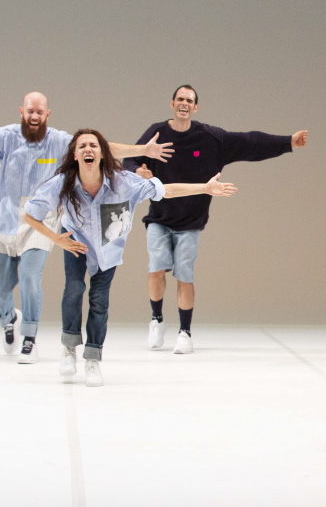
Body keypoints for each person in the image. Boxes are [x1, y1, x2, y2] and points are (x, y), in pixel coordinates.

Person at [0, 92, 172, 364]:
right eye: (30, 111)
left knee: (31, 278)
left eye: (40, 112)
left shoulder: (59, 141)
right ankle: (9, 319)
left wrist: (143, 150)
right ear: (22, 112)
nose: (34, 116)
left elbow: (100, 148)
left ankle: (30, 339)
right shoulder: (6, 137)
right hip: (4, 219)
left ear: (48, 115)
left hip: (41, 221)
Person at [24, 129, 237, 386]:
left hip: (108, 250)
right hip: (76, 244)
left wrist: (204, 188)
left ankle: (92, 358)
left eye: (94, 145)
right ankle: (69, 348)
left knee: (99, 301)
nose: (88, 149)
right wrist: (56, 239)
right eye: (82, 146)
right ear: (75, 154)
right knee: (74, 288)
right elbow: (30, 214)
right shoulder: (62, 183)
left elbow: (165, 190)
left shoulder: (123, 182)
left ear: (103, 153)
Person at [123, 85, 308, 354]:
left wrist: (288, 142)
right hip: (159, 218)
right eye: (180, 99)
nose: (184, 104)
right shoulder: (157, 132)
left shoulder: (210, 138)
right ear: (172, 103)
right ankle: (157, 320)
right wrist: (137, 170)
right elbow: (130, 159)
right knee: (156, 268)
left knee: (184, 274)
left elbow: (249, 142)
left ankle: (185, 333)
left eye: (189, 100)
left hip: (191, 222)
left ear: (195, 107)